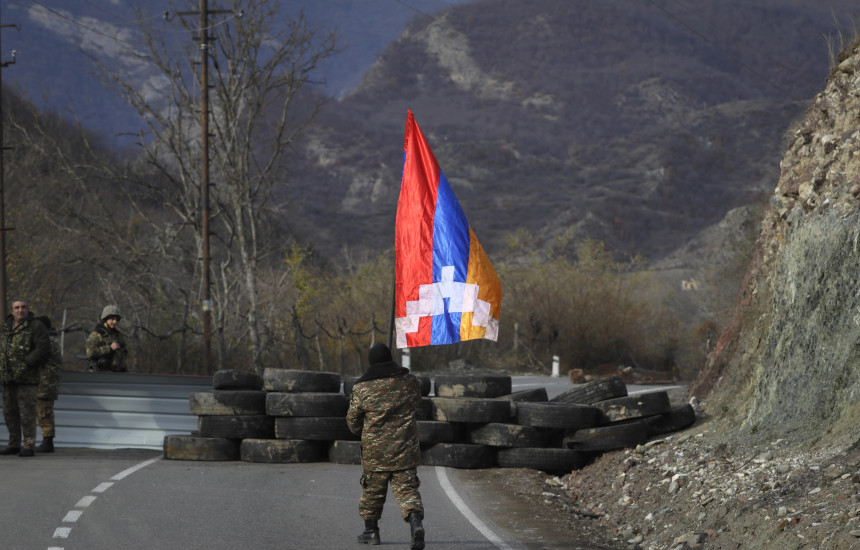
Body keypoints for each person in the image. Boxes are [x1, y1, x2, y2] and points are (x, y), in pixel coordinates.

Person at [346, 343, 425, 550]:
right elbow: (417, 403)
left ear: (371, 362)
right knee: (407, 490)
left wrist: (365, 431)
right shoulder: (410, 382)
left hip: (376, 452)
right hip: (405, 449)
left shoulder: (361, 388)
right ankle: (415, 523)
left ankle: (371, 532)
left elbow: (353, 422)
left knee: (372, 492)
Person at [0, 299, 51, 457]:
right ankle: (14, 444)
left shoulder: (36, 326)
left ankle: (28, 445)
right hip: (7, 378)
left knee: (27, 413)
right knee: (9, 413)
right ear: (12, 310)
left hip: (26, 378)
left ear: (28, 309)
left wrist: (26, 363)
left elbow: (43, 348)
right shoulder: (5, 327)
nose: (20, 310)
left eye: (23, 307)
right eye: (17, 308)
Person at [35, 316, 62, 453]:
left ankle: (48, 441)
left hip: (46, 382)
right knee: (44, 411)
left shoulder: (48, 341)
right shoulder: (51, 340)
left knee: (44, 412)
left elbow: (37, 357)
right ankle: (47, 440)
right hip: (47, 382)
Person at [86, 305, 128, 372]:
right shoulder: (96, 335)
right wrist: (109, 348)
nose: (115, 322)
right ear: (106, 319)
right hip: (100, 372)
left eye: (117, 319)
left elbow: (123, 355)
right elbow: (90, 352)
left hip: (117, 372)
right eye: (112, 319)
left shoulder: (118, 336)